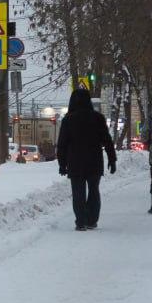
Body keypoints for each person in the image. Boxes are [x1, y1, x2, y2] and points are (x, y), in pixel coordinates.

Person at [56, 88, 117, 231]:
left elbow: (62, 144)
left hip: (75, 162)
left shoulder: (68, 120)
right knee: (94, 190)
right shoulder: (98, 118)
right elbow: (107, 141)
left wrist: (62, 164)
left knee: (78, 192)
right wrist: (112, 159)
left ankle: (80, 222)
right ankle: (92, 220)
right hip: (94, 161)